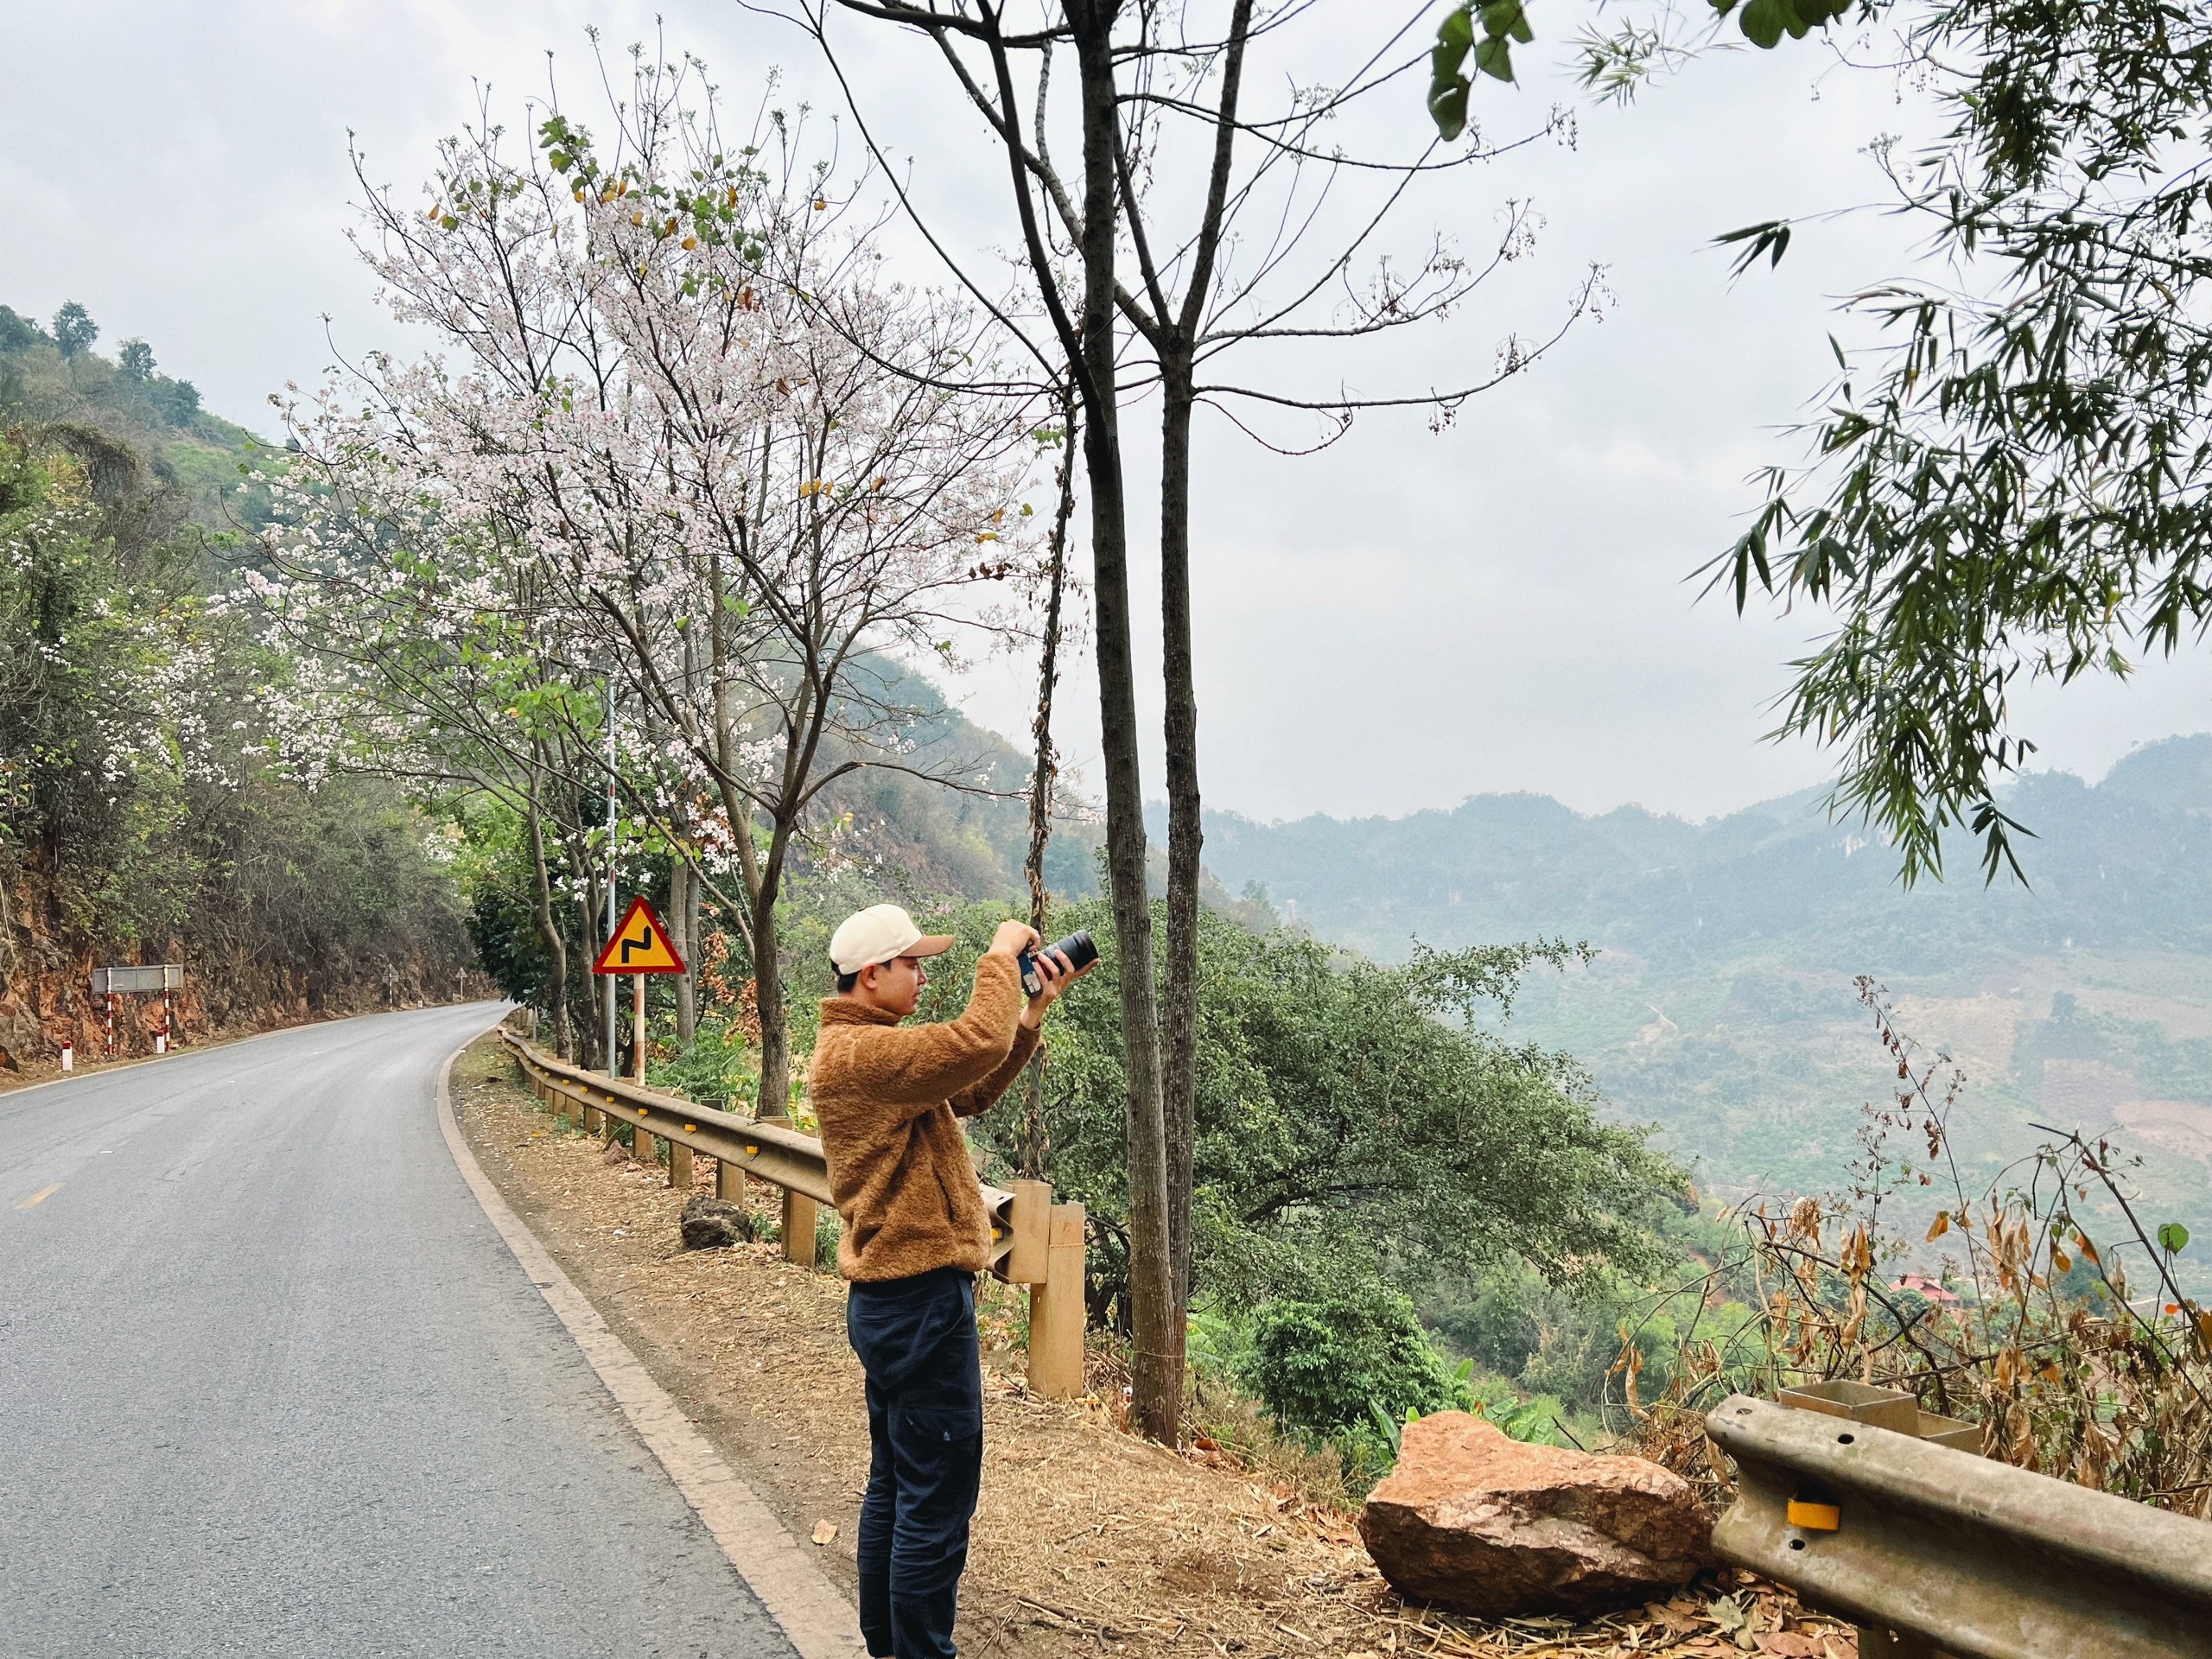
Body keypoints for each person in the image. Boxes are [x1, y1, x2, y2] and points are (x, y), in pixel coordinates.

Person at [810, 904, 1090, 1659]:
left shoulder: (869, 1051)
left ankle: (889, 1646)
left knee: (899, 1487)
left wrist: (1029, 1015)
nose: (924, 976)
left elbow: (967, 1085)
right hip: (919, 1304)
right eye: (913, 965)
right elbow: (972, 1039)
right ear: (872, 976)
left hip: (894, 1301)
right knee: (934, 1501)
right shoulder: (864, 1057)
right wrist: (1000, 956)